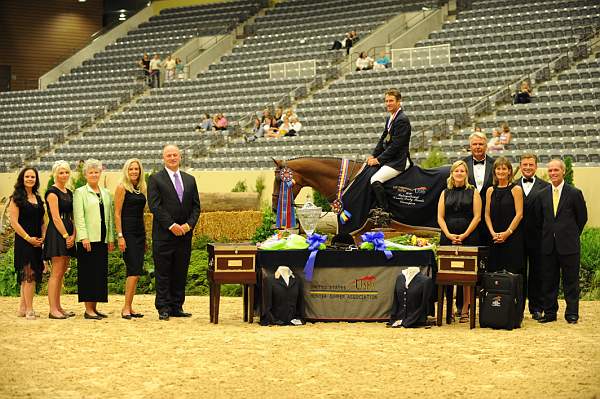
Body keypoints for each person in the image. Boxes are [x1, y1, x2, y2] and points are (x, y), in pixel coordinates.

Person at [148, 144, 201, 320]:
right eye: (169, 155)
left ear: (180, 157)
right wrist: (172, 225)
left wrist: (188, 225)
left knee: (180, 271)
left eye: (175, 155)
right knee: (163, 273)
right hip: (164, 235)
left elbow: (196, 207)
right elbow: (155, 206)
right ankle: (163, 307)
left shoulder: (190, 179)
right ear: (163, 158)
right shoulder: (155, 179)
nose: (172, 158)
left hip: (184, 236)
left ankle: (177, 306)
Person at [537, 159, 587, 324]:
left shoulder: (574, 193)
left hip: (569, 246)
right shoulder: (542, 194)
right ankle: (550, 313)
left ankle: (572, 313)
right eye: (550, 170)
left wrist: (570, 235)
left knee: (570, 281)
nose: (553, 173)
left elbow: (582, 218)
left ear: (562, 172)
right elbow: (539, 220)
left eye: (556, 170)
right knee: (549, 281)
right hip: (548, 246)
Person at [437, 160, 481, 322]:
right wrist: (448, 234)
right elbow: (440, 217)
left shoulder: (473, 192)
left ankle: (464, 310)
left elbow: (477, 217)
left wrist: (464, 235)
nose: (459, 173)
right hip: (447, 237)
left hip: (469, 237)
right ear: (452, 173)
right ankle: (448, 311)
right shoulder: (444, 193)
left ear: (466, 174)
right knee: (447, 275)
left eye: (462, 171)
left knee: (467, 276)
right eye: (457, 171)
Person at [73, 159, 115, 320]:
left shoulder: (105, 193)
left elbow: (109, 217)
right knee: (88, 274)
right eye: (90, 172)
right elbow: (79, 217)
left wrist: (110, 238)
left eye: (96, 172)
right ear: (85, 174)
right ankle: (88, 310)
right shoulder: (80, 192)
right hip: (88, 240)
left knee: (99, 274)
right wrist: (83, 237)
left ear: (100, 173)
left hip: (102, 239)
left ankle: (95, 308)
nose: (94, 174)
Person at [515, 153, 550, 320]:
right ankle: (518, 308)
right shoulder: (512, 186)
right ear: (520, 166)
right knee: (519, 273)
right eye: (525, 165)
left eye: (531, 165)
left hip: (538, 238)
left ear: (536, 166)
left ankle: (536, 307)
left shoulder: (545, 187)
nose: (528, 167)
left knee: (537, 273)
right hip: (517, 239)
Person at [367, 88, 412, 214]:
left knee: (375, 180)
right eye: (386, 101)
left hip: (399, 160)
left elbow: (396, 146)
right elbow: (383, 139)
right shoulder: (391, 118)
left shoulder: (402, 119)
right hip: (391, 159)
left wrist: (378, 159)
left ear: (399, 102)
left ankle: (385, 212)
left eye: (391, 101)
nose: (388, 103)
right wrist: (373, 155)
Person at [9, 168, 45, 320]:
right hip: (24, 241)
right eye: (27, 176)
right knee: (28, 275)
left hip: (37, 241)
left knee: (30, 275)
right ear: (22, 179)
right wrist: (28, 238)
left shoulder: (37, 197)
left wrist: (43, 236)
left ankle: (22, 308)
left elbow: (42, 220)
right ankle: (30, 309)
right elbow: (14, 222)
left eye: (33, 177)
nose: (30, 179)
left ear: (36, 179)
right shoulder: (16, 198)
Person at [114, 159, 147, 320]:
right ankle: (125, 308)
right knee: (133, 271)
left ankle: (130, 306)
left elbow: (141, 214)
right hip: (127, 234)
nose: (134, 171)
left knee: (136, 272)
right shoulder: (122, 187)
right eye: (131, 169)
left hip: (139, 233)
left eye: (137, 169)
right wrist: (120, 236)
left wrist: (145, 237)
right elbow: (117, 213)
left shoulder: (140, 188)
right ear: (126, 170)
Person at [44, 160, 76, 319]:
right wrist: (65, 236)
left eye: (66, 172)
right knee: (56, 272)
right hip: (57, 233)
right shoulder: (52, 192)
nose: (64, 175)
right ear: (55, 174)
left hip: (68, 231)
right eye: (61, 172)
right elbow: (55, 218)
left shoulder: (69, 192)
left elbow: (72, 216)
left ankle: (59, 306)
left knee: (63, 270)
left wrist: (73, 235)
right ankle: (52, 309)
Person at [484, 157, 524, 275]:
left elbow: (519, 214)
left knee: (511, 272)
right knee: (494, 271)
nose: (501, 171)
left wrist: (507, 233)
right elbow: (486, 214)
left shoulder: (516, 189)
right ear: (494, 171)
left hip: (512, 237)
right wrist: (492, 233)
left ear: (509, 171)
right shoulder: (490, 190)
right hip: (494, 238)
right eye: (498, 169)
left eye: (504, 169)